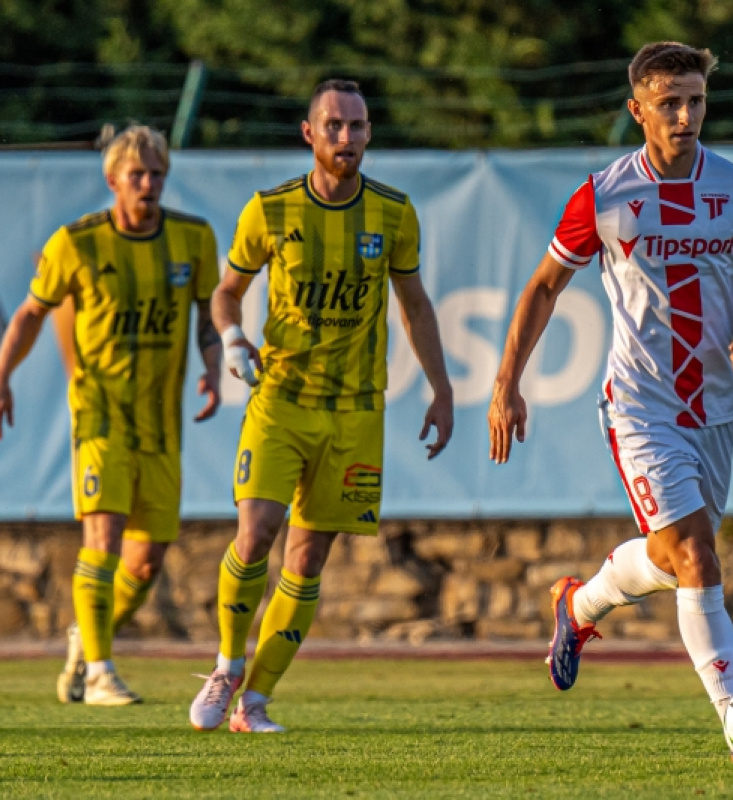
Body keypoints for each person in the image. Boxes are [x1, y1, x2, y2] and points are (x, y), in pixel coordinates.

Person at [488, 42, 733, 751]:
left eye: (696, 101)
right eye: (669, 103)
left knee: (675, 554)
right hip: (640, 405)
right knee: (698, 559)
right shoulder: (607, 194)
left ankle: (579, 603)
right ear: (638, 110)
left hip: (716, 406)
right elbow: (543, 287)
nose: (686, 116)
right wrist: (506, 383)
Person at [189, 78, 453, 733]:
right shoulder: (270, 210)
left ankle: (255, 703)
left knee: (307, 561)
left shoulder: (393, 213)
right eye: (334, 126)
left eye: (358, 127)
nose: (347, 138)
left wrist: (443, 390)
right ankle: (226, 666)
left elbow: (416, 305)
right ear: (309, 133)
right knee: (255, 536)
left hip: (356, 413)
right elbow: (226, 293)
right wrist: (231, 337)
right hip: (279, 401)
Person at [0, 125, 222, 705]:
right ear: (112, 181)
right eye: (137, 175)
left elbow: (207, 313)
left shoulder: (193, 239)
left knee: (144, 564)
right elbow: (29, 314)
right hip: (99, 417)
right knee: (101, 536)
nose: (148, 184)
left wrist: (213, 365)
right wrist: (1, 375)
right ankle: (99, 671)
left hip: (160, 424)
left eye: (157, 174)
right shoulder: (77, 244)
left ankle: (86, 638)